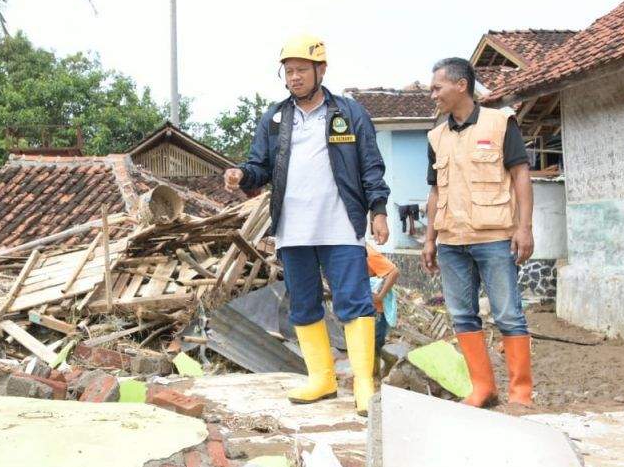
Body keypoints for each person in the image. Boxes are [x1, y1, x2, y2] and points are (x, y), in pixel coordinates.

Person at [224, 35, 390, 416]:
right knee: (303, 303)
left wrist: (377, 210)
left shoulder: (349, 113)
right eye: (288, 71)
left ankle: (364, 383)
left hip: (340, 225)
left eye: (301, 70)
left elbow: (370, 164)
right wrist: (241, 175)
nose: (294, 77)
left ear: (321, 70)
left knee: (354, 301)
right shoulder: (275, 119)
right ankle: (322, 378)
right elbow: (260, 167)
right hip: (293, 228)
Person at [421, 57, 535, 408]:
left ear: (461, 85)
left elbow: (520, 176)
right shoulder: (436, 136)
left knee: (508, 314)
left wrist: (524, 228)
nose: (433, 95)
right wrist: (429, 238)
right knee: (462, 315)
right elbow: (435, 191)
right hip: (452, 242)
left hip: (495, 237)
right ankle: (483, 388)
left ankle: (521, 394)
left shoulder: (500, 123)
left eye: (437, 87)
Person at [366, 245, 399, 364]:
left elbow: (393, 272)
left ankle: (376, 375)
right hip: (361, 308)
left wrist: (380, 296)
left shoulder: (367, 252)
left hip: (376, 311)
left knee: (374, 346)